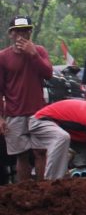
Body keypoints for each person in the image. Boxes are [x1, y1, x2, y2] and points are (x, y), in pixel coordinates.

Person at [0, 16, 53, 181]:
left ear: (30, 33)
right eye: (17, 31)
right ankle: (24, 194)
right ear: (11, 34)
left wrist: (33, 54)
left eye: (25, 31)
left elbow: (48, 74)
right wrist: (0, 117)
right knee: (21, 155)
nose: (21, 35)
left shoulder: (39, 51)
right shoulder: (3, 57)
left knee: (40, 152)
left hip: (38, 112)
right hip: (14, 113)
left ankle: (43, 191)